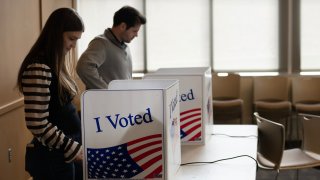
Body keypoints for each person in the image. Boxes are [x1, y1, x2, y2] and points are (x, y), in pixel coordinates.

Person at [17, 8, 84, 180]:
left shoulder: (54, 63)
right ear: (55, 35)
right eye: (71, 39)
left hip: (62, 153)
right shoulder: (39, 68)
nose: (73, 46)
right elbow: (37, 122)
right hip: (52, 157)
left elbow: (61, 109)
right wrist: (70, 146)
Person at [76, 6, 146, 89]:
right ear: (123, 26)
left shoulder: (126, 47)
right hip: (107, 101)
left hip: (122, 100)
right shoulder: (101, 43)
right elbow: (83, 67)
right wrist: (107, 91)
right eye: (134, 31)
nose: (136, 35)